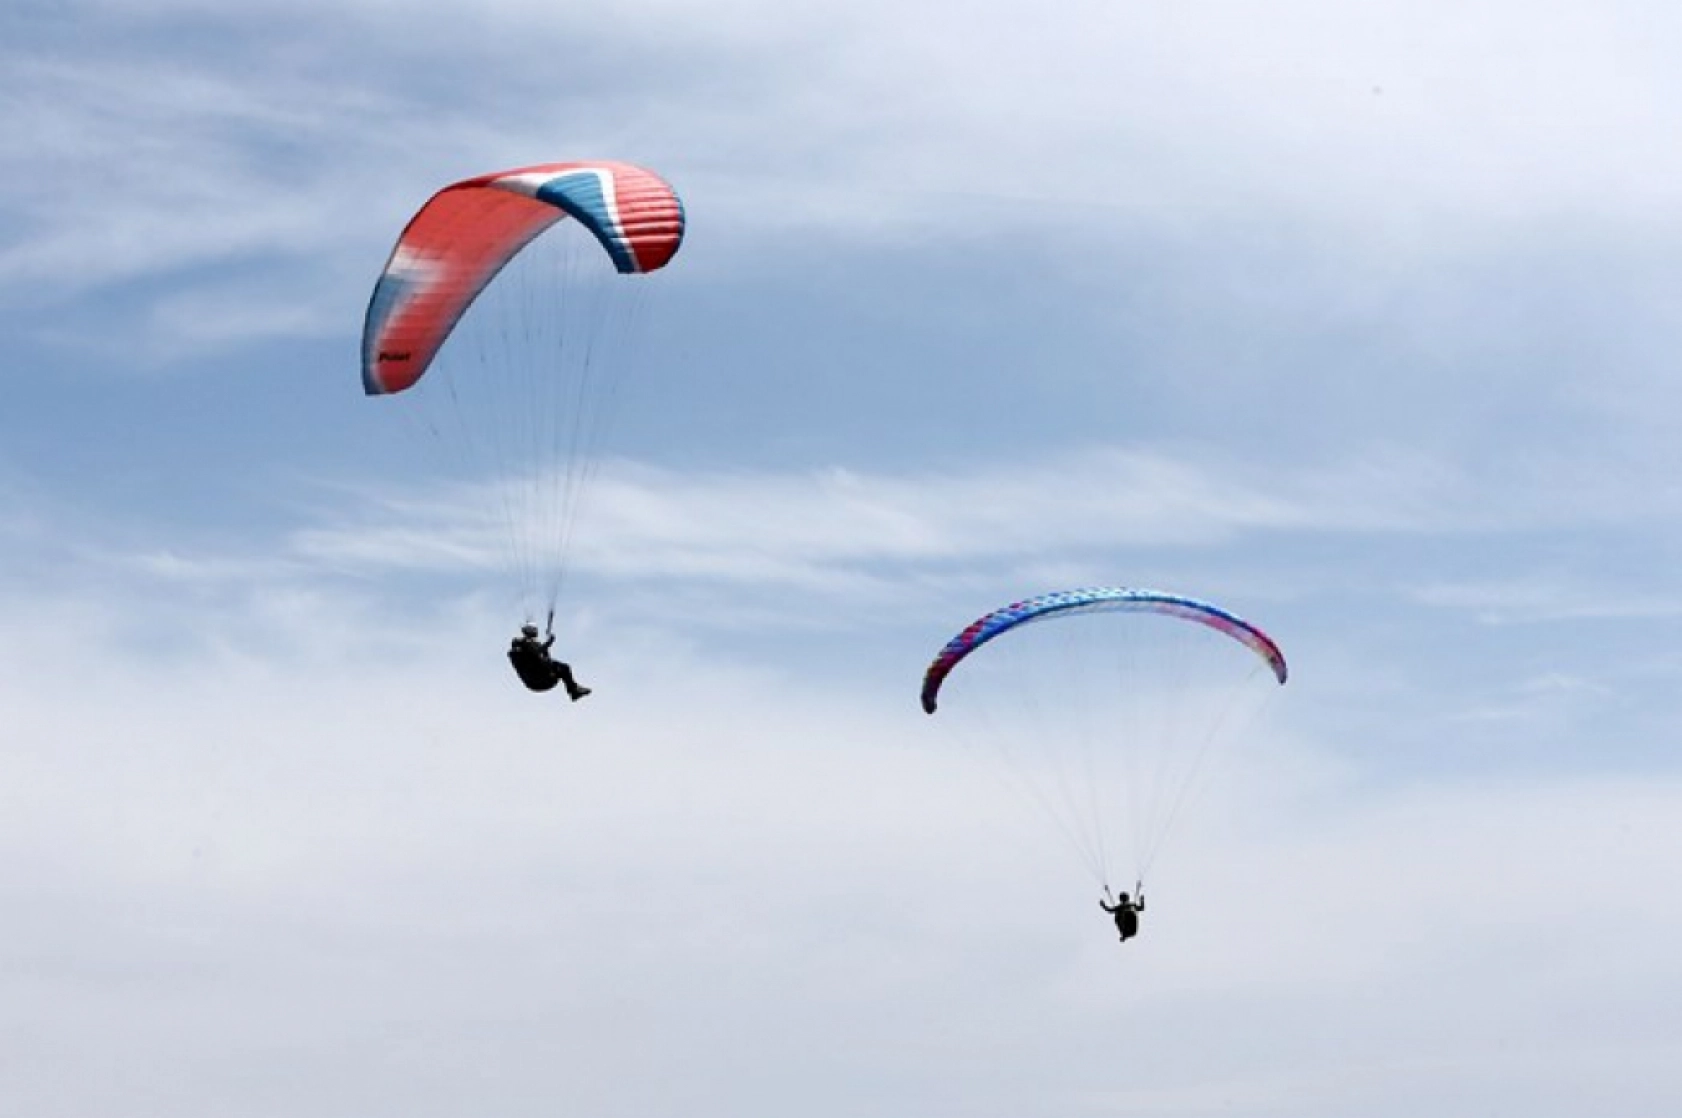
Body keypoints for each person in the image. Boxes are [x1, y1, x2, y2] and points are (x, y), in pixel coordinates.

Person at [508, 623, 591, 700]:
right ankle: (574, 691)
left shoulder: (523, 653)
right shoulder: (525, 646)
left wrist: (545, 647)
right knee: (564, 668)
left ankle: (574, 691)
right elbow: (537, 653)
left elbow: (539, 655)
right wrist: (548, 643)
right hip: (542, 680)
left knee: (557, 665)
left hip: (533, 683)